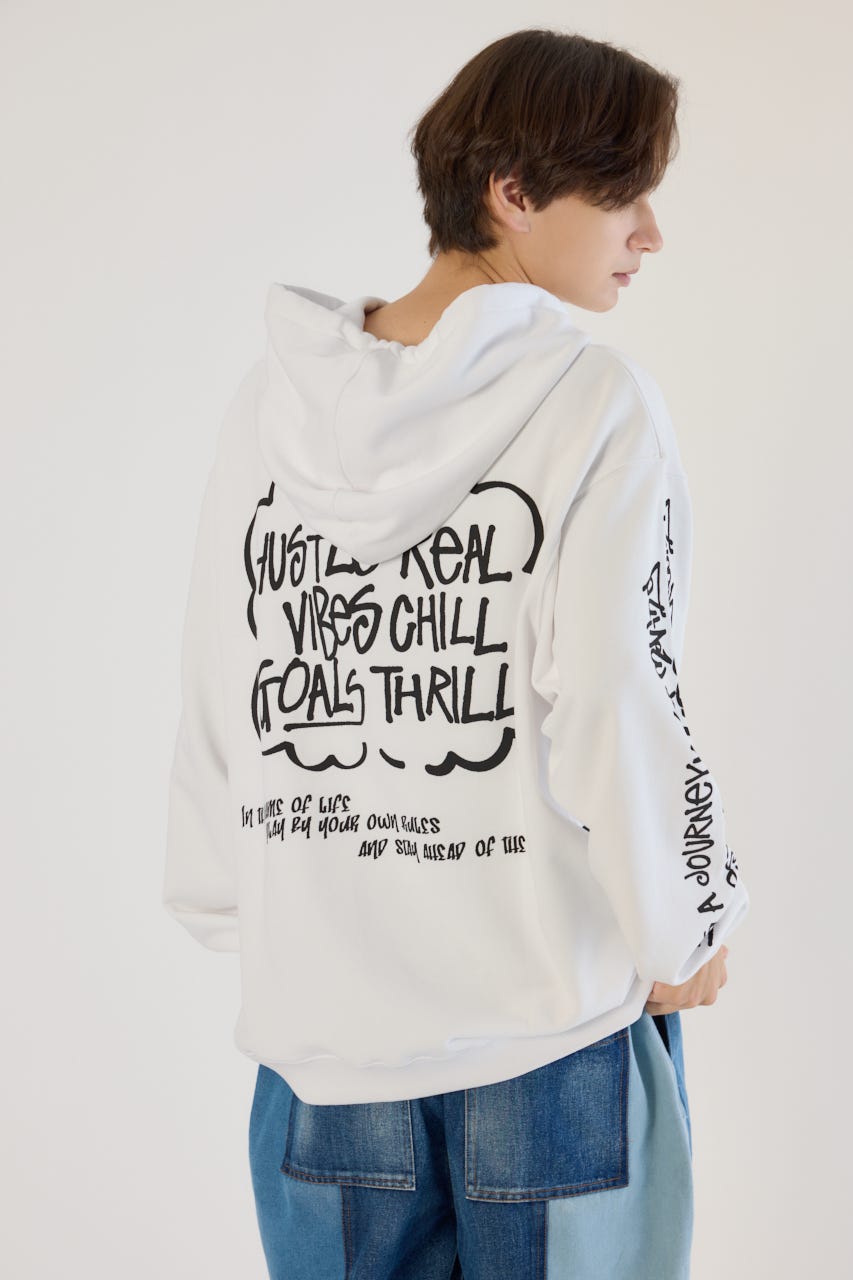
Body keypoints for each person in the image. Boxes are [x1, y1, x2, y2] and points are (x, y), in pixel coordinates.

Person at [162, 26, 750, 1279]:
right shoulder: (592, 403)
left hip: (323, 1057)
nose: (650, 233)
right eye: (624, 195)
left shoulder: (268, 408)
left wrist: (233, 894)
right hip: (546, 1045)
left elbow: (227, 671)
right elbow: (619, 688)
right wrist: (686, 917)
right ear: (514, 193)